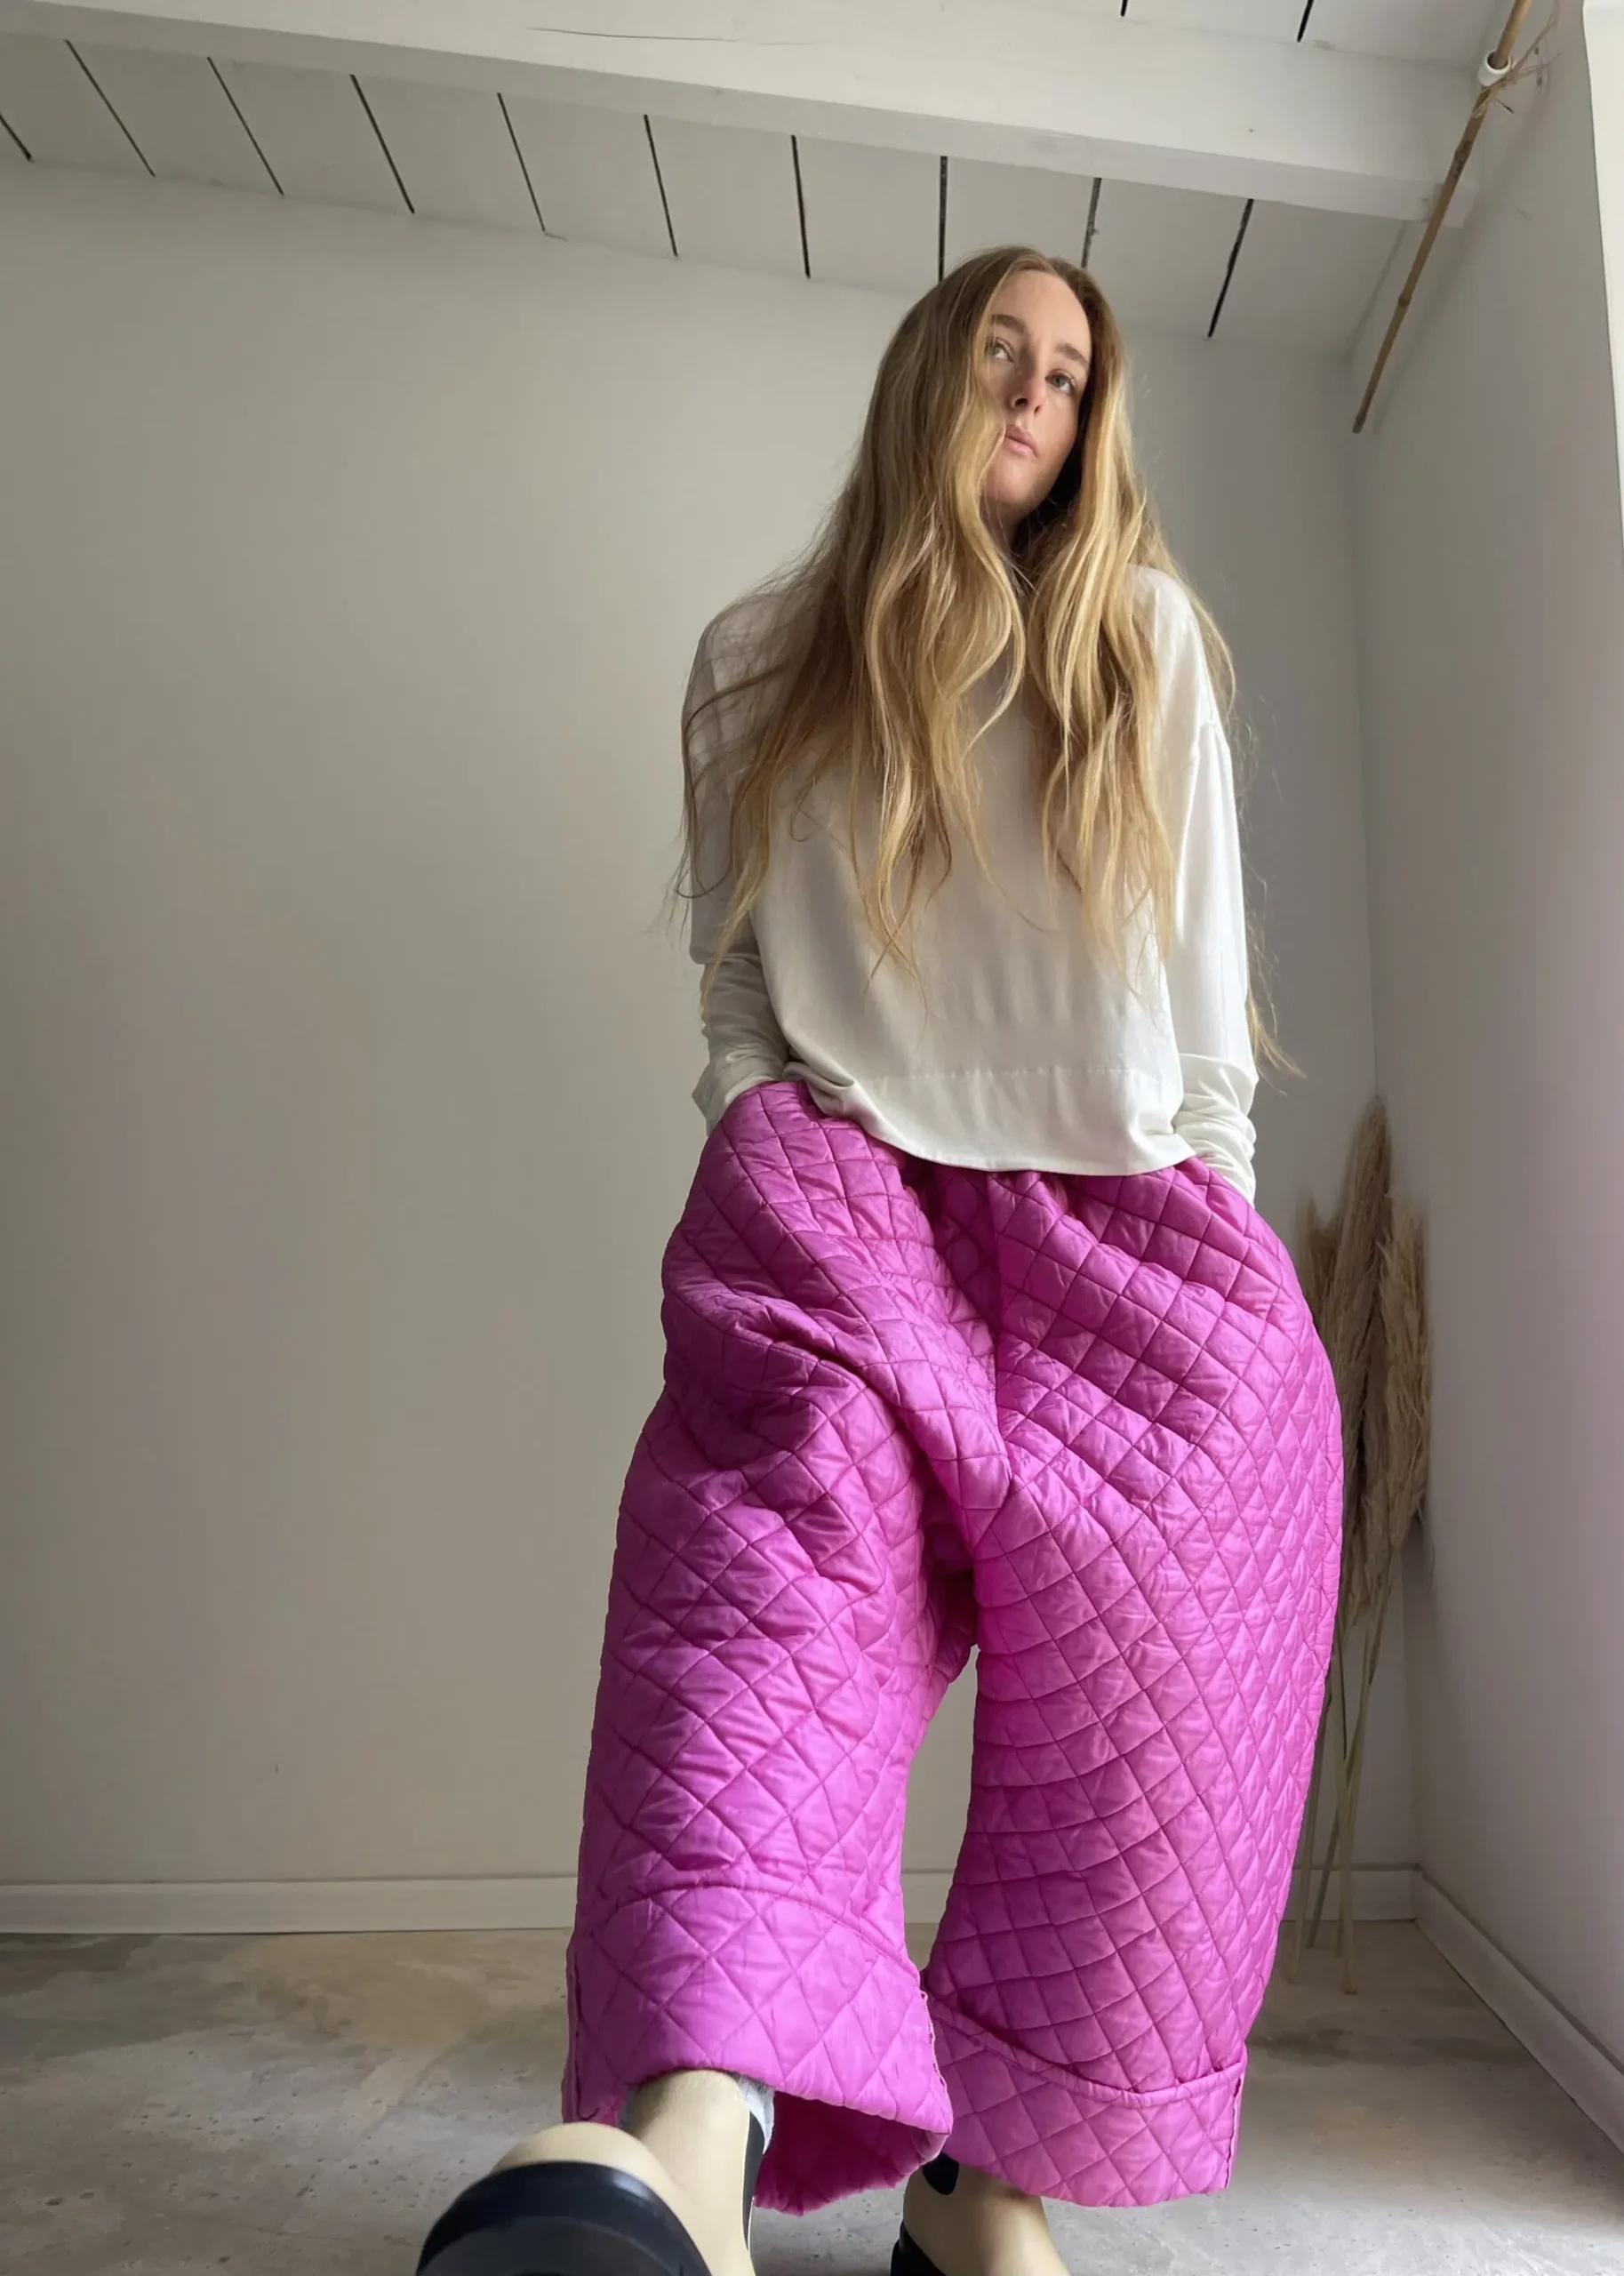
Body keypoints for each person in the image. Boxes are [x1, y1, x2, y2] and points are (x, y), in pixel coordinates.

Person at [417, 245, 1341, 2276]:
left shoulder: (1139, 640)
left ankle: (986, 2182)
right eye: (1001, 353)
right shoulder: (756, 656)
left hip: (1118, 1214)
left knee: (1170, 1685)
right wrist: (765, 1123)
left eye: (1070, 377)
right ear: (930, 370)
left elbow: (1202, 1017)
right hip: (849, 1193)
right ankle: (686, 2140)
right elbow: (737, 971)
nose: (1034, 397)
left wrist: (1218, 1231)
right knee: (764, 1604)